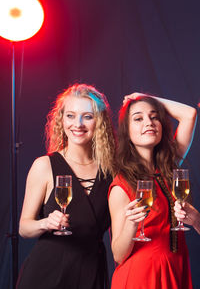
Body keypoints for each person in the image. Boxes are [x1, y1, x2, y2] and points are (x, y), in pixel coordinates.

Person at [17, 83, 116, 289]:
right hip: (46, 273)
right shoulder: (44, 165)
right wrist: (46, 223)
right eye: (70, 115)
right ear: (61, 120)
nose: (77, 124)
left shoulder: (112, 170)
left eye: (87, 116)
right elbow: (24, 228)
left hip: (92, 271)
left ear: (100, 122)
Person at [108, 92, 197, 289]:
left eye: (154, 116)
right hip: (142, 276)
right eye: (138, 119)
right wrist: (131, 225)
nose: (148, 122)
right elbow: (118, 254)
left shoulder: (168, 168)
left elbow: (189, 114)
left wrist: (145, 97)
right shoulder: (122, 184)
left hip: (175, 268)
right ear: (127, 132)